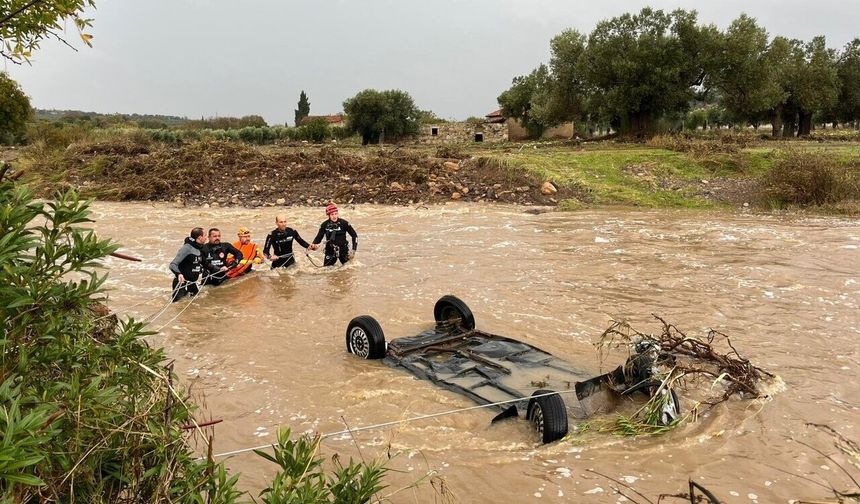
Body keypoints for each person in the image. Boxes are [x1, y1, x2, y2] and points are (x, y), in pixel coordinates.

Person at [169, 227, 206, 302]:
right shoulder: (186, 248)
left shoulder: (199, 248)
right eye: (205, 235)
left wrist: (219, 269)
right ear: (200, 237)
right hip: (181, 284)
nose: (206, 238)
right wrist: (179, 274)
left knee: (197, 306)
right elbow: (173, 264)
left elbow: (205, 263)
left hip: (192, 284)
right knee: (178, 306)